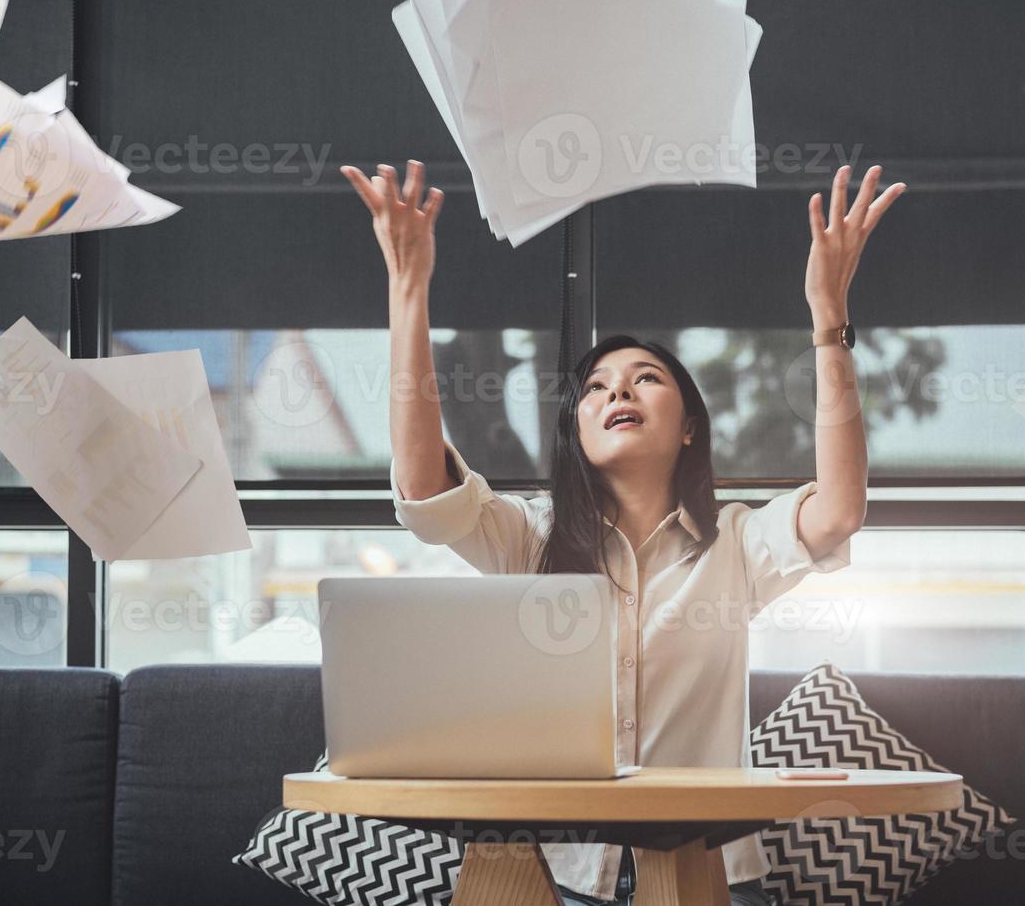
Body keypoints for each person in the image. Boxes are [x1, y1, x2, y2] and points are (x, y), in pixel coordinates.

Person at [340, 159, 905, 906]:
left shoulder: (736, 543)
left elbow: (839, 509)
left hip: (716, 879)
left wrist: (828, 317)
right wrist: (408, 289)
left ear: (688, 429)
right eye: (598, 388)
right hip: (567, 878)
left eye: (646, 378)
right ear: (576, 431)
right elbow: (422, 487)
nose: (620, 392)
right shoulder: (526, 539)